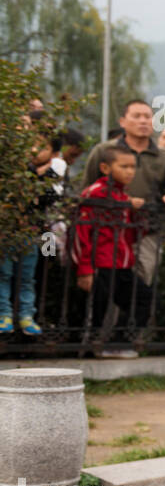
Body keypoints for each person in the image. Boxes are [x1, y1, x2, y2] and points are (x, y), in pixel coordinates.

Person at [82, 100, 165, 288]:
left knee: (140, 286)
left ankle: (130, 319)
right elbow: (88, 188)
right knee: (106, 286)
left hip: (146, 231)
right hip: (108, 231)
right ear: (122, 121)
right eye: (136, 116)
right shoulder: (105, 151)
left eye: (148, 117)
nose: (143, 121)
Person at [75, 143, 152, 357]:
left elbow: (132, 234)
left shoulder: (123, 196)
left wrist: (136, 213)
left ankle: (119, 343)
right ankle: (90, 349)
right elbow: (82, 233)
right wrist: (85, 269)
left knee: (142, 297)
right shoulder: (95, 193)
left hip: (121, 263)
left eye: (132, 167)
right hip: (99, 262)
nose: (130, 172)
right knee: (97, 308)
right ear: (106, 168)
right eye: (124, 166)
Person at [0, 135, 59, 337]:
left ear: (53, 153)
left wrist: (44, 175)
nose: (36, 150)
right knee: (4, 274)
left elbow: (51, 201)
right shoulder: (14, 170)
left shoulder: (52, 173)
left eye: (43, 147)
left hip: (36, 234)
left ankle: (27, 315)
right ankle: (4, 314)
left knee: (29, 276)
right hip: (9, 233)